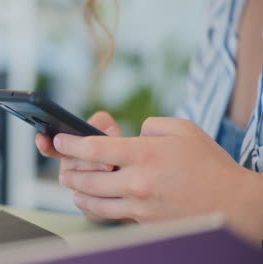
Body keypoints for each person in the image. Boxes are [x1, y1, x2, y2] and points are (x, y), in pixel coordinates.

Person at [35, 0, 263, 244]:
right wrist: (126, 191)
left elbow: (215, 202)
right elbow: (185, 207)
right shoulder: (224, 9)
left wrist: (235, 199)